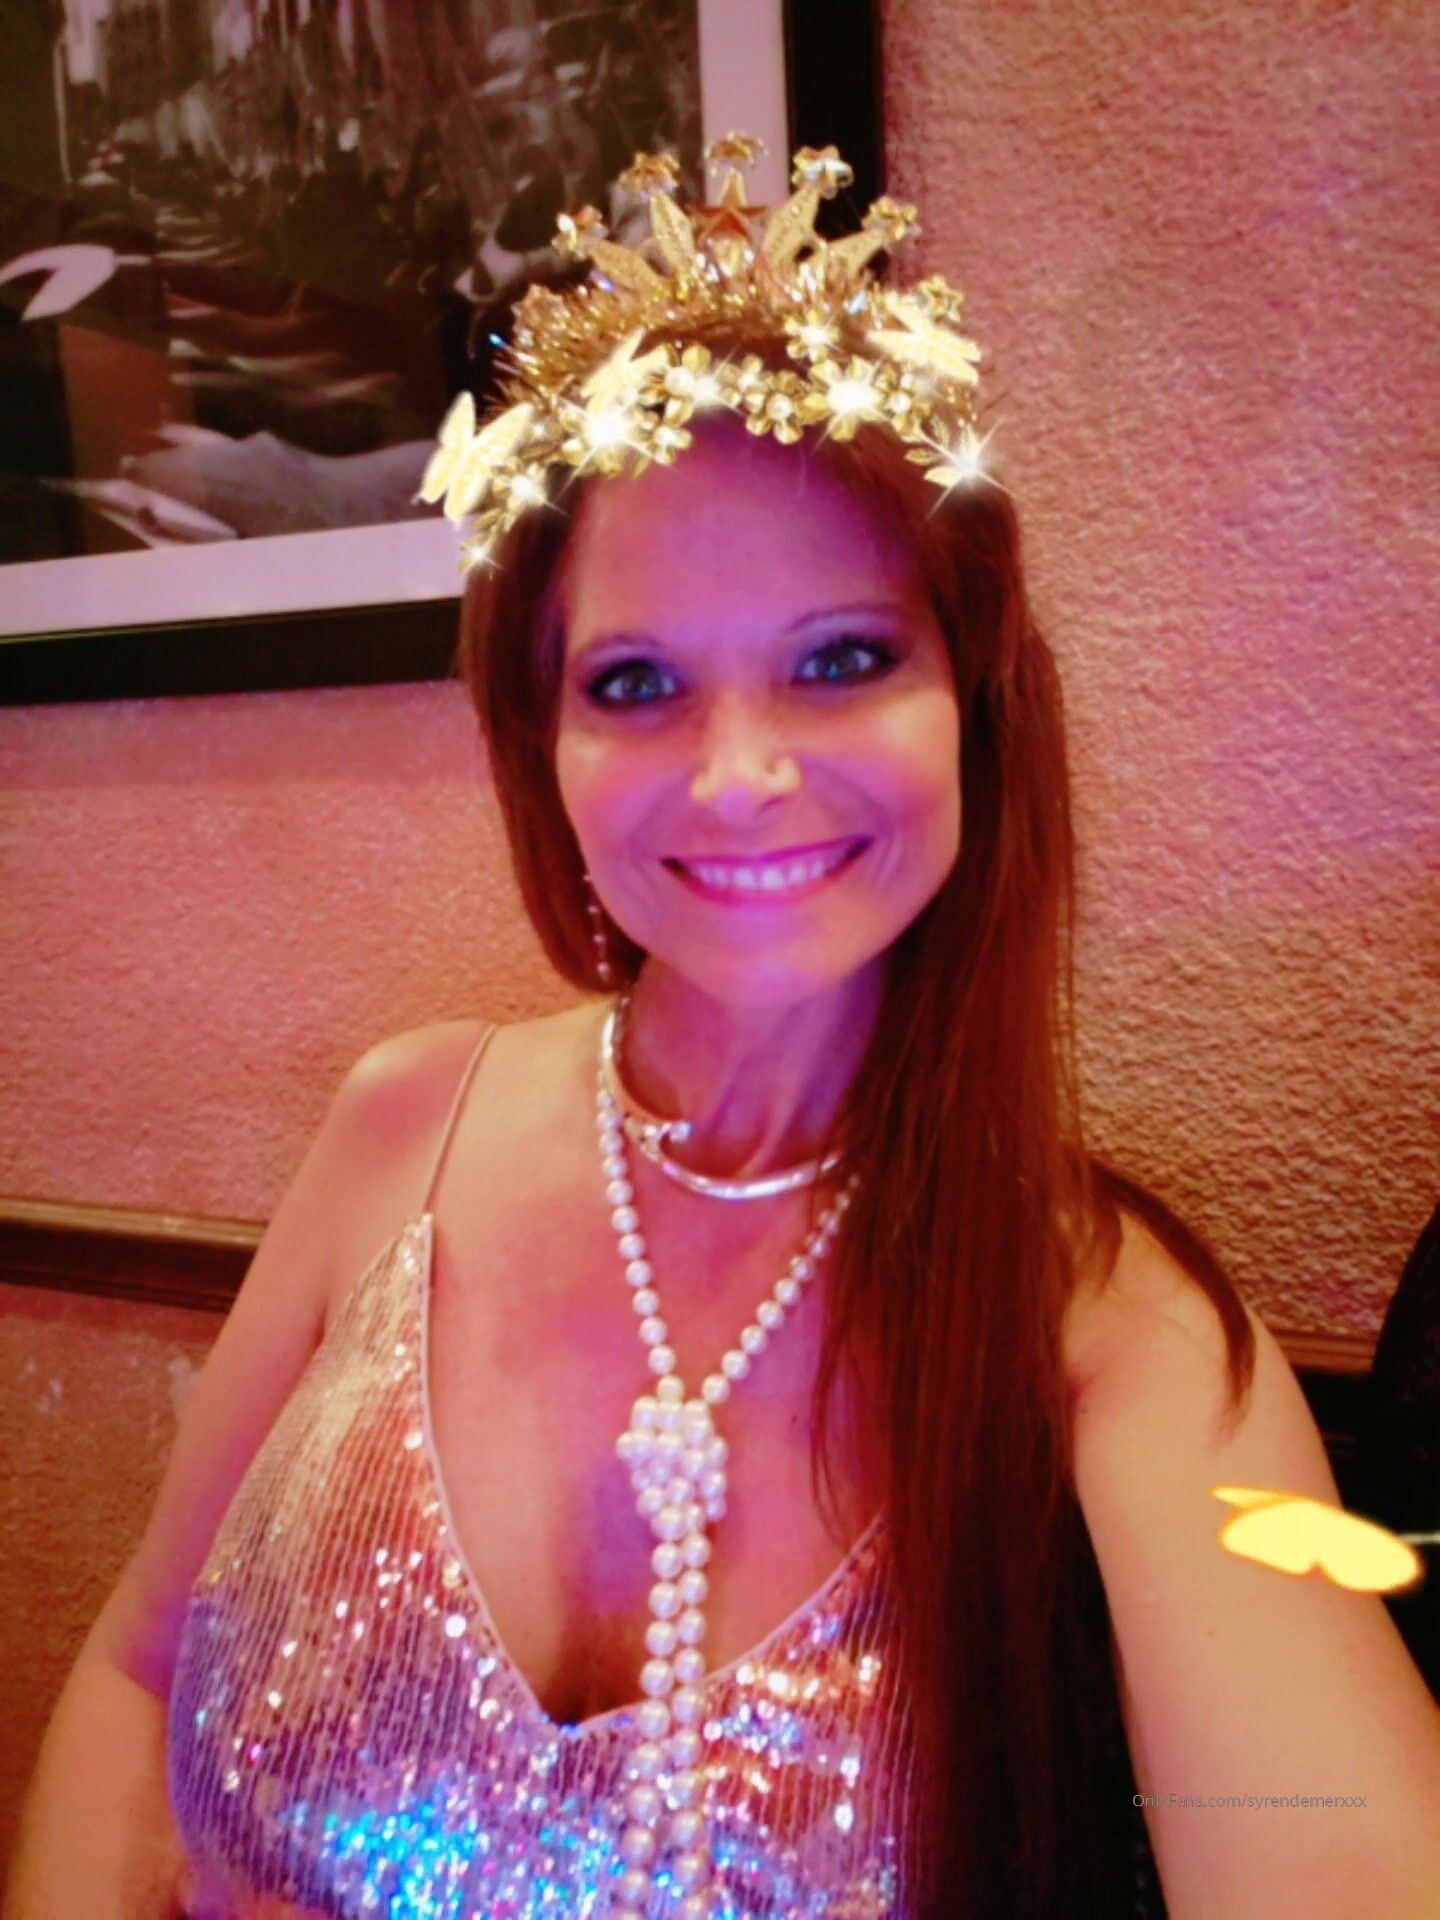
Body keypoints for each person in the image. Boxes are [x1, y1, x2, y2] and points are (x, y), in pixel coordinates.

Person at [10, 138, 1440, 1920]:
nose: (742, 775)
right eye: (636, 682)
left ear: (975, 702)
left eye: (841, 658)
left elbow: (1330, 1840)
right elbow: (138, 1670)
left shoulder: (1110, 1329)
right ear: (544, 740)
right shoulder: (402, 1127)